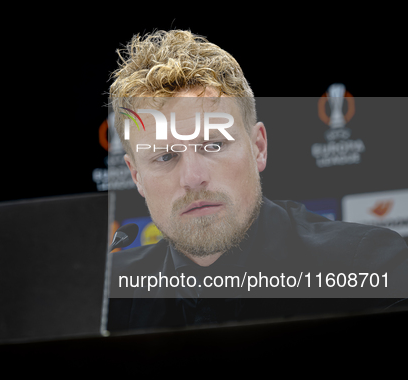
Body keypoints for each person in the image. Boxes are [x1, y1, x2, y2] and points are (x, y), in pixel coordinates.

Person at [106, 30, 408, 331]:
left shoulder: (365, 267)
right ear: (136, 176)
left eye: (213, 145)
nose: (193, 178)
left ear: (258, 148)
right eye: (165, 157)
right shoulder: (105, 299)